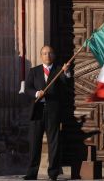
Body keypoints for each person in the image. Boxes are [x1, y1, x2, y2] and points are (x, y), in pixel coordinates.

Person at [24, 45, 70, 180]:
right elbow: (27, 88)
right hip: (37, 110)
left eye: (50, 53)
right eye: (44, 53)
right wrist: (37, 93)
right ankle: (32, 173)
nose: (47, 55)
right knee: (34, 142)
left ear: (53, 55)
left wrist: (66, 73)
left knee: (54, 142)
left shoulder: (59, 70)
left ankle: (53, 173)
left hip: (53, 111)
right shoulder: (34, 71)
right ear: (41, 56)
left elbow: (66, 86)